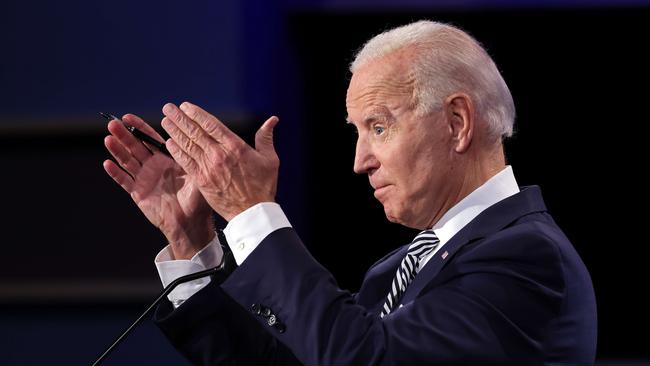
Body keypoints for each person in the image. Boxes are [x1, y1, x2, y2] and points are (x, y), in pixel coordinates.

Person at [103, 20, 597, 365]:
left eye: (379, 127)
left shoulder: (527, 256)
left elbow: (363, 359)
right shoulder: (393, 270)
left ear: (457, 122)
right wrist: (193, 241)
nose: (359, 161)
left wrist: (253, 212)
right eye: (357, 132)